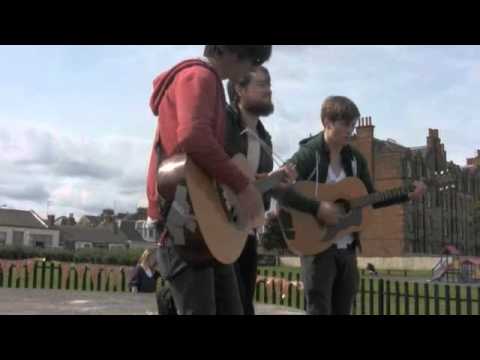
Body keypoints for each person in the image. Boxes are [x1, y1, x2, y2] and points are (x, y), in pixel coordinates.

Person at [145, 45, 272, 315]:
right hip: (184, 221)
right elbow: (193, 137)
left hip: (202, 222)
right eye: (254, 58)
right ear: (232, 50)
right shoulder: (198, 76)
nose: (252, 67)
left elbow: (205, 160)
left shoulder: (207, 81)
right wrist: (242, 185)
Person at [284, 96, 427, 315]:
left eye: (353, 125)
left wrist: (406, 194)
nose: (350, 130)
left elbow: (372, 198)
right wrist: (317, 209)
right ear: (327, 122)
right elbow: (281, 190)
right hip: (317, 249)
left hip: (348, 250)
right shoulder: (307, 154)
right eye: (345, 124)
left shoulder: (354, 159)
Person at [224, 66, 275, 315]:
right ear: (239, 89)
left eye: (269, 84)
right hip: (217, 227)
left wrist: (276, 183)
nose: (269, 90)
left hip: (247, 232)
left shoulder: (266, 139)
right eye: (262, 84)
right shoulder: (223, 122)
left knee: (245, 305)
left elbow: (258, 193)